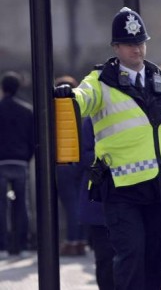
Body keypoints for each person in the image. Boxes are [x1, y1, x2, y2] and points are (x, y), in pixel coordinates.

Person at [53, 7, 161, 290]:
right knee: (130, 256)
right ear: (116, 47)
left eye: (140, 42)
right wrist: (68, 96)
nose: (137, 49)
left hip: (158, 186)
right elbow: (83, 98)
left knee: (153, 260)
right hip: (121, 188)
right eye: (130, 44)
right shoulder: (101, 81)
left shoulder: (160, 82)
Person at [78, 117, 115, 290]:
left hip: (127, 197)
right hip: (100, 200)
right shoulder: (92, 120)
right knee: (105, 258)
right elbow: (85, 155)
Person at [0, 71, 33, 260]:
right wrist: (27, 158)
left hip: (1, 162)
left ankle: (2, 247)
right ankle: (22, 245)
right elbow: (32, 140)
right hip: (20, 162)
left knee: (1, 206)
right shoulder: (26, 110)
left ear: (3, 88)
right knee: (22, 205)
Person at [54, 75, 88, 257]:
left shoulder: (56, 112)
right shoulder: (82, 111)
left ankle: (72, 241)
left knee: (71, 205)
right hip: (81, 162)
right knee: (79, 202)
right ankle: (81, 240)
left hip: (65, 162)